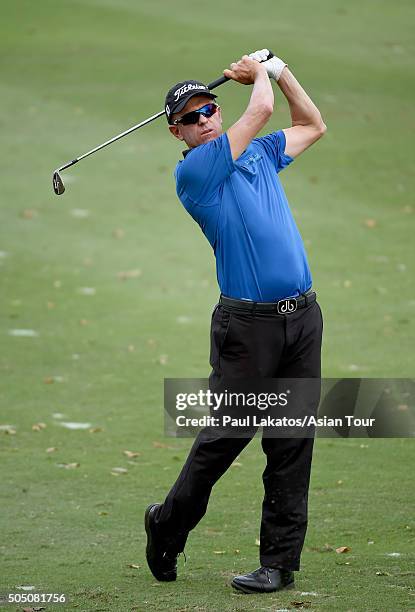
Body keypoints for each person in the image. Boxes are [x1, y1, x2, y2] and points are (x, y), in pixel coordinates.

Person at [145, 49, 326, 594]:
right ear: (177, 133)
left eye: (208, 110)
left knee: (292, 440)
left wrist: (283, 70)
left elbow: (312, 124)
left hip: (303, 318)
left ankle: (279, 564)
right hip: (247, 328)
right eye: (192, 118)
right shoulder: (196, 171)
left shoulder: (260, 156)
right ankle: (167, 525)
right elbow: (263, 111)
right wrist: (260, 76)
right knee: (227, 437)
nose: (204, 119)